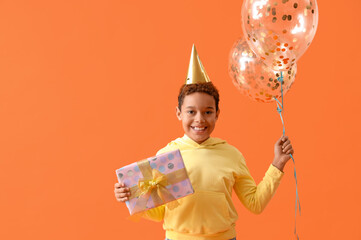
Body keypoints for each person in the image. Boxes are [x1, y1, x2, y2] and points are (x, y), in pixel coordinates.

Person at [114, 45, 294, 240]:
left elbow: (255, 203)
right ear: (179, 114)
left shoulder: (231, 155)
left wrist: (278, 163)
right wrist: (131, 196)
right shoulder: (166, 156)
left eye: (208, 112)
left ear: (217, 114)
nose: (199, 119)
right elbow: (159, 214)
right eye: (191, 112)